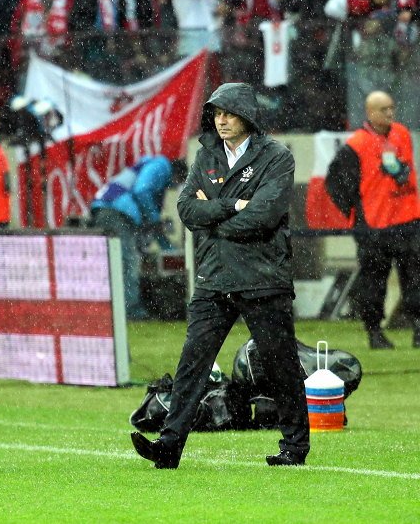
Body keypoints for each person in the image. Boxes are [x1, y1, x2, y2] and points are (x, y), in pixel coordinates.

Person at [130, 82, 310, 468]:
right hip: (214, 277)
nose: (221, 120)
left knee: (281, 365)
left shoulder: (277, 157)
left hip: (263, 278)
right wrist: (233, 206)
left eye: (228, 113)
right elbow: (186, 210)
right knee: (192, 365)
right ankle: (168, 447)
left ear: (247, 116)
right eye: (216, 113)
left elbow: (264, 216)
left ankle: (295, 448)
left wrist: (213, 215)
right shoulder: (206, 154)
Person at [325, 90, 420, 350]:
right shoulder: (356, 145)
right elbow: (334, 182)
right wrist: (355, 211)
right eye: (383, 109)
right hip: (374, 226)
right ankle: (374, 331)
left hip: (408, 219)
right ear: (369, 113)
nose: (390, 113)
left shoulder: (402, 133)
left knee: (415, 277)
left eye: (392, 107)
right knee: (373, 281)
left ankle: (418, 326)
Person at [90, 155, 187, 320]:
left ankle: (112, 309)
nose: (173, 187)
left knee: (115, 262)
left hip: (105, 209)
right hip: (116, 211)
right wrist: (155, 221)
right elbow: (142, 191)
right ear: (177, 174)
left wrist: (168, 248)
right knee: (129, 261)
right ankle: (132, 311)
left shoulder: (149, 165)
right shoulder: (161, 165)